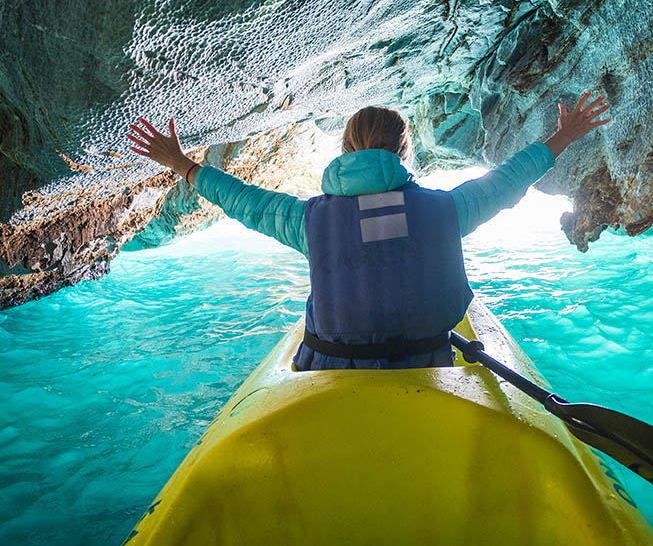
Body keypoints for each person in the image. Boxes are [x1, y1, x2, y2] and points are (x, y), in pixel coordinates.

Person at [128, 92, 609, 370]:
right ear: (403, 152)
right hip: (424, 364)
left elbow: (245, 202)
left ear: (346, 148)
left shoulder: (310, 221)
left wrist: (182, 164)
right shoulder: (446, 210)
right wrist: (563, 136)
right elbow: (505, 182)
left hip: (328, 366)